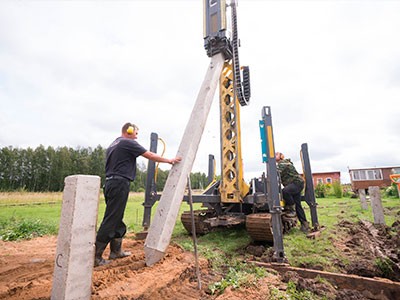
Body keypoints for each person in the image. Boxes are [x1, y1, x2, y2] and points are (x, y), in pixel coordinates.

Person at [95, 122, 182, 266]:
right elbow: (150, 155)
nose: (137, 135)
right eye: (136, 132)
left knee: (117, 218)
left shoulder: (114, 143)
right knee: (111, 219)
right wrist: (169, 160)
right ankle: (96, 257)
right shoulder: (127, 142)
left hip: (111, 183)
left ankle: (116, 252)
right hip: (119, 183)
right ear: (129, 131)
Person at [275, 152, 309, 233]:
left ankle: (291, 210)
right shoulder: (283, 163)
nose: (274, 155)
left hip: (296, 183)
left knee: (285, 191)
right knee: (298, 204)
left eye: (276, 154)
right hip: (295, 184)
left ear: (281, 157)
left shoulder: (283, 163)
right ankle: (304, 223)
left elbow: (276, 173)